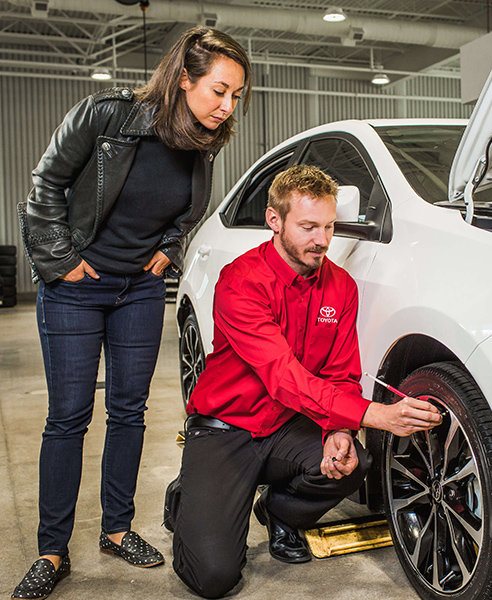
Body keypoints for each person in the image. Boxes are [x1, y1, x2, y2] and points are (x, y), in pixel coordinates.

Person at [13, 26, 252, 600]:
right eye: (219, 90)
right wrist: (62, 260)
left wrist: (167, 252)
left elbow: (186, 212)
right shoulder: (105, 115)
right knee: (69, 416)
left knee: (129, 411)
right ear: (184, 79)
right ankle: (52, 549)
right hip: (75, 286)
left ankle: (116, 530)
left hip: (138, 292)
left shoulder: (202, 140)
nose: (227, 105)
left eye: (237, 95)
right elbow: (45, 185)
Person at [170, 165, 442, 599]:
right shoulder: (241, 282)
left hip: (287, 427)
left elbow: (340, 373)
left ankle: (281, 513)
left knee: (354, 462)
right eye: (308, 226)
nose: (322, 240)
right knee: (214, 578)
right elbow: (282, 376)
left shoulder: (341, 288)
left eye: (329, 226)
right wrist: (374, 415)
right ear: (274, 221)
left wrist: (340, 428)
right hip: (227, 428)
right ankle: (191, 495)